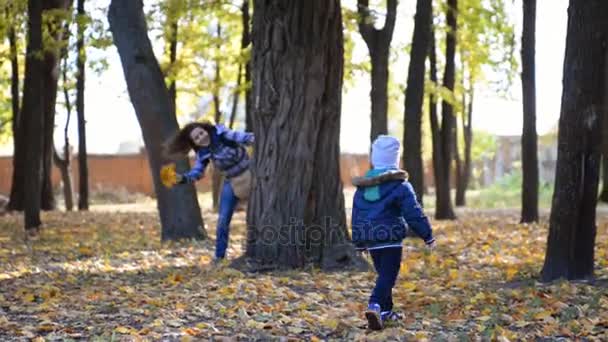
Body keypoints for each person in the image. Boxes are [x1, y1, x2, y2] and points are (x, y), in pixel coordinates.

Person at [351, 135, 436, 330]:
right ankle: (374, 304)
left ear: (375, 158)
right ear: (395, 159)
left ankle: (386, 312)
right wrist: (427, 234)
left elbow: (357, 214)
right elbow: (413, 212)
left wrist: (359, 241)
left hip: (371, 239)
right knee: (388, 276)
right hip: (390, 239)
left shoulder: (363, 188)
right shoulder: (400, 185)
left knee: (383, 275)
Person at [163, 121, 254, 261]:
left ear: (206, 130)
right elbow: (197, 173)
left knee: (255, 215)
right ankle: (219, 257)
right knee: (223, 220)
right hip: (231, 180)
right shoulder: (203, 153)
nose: (201, 137)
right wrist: (181, 178)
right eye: (197, 138)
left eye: (201, 133)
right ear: (195, 143)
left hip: (250, 174)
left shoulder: (222, 134)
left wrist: (256, 138)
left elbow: (241, 137)